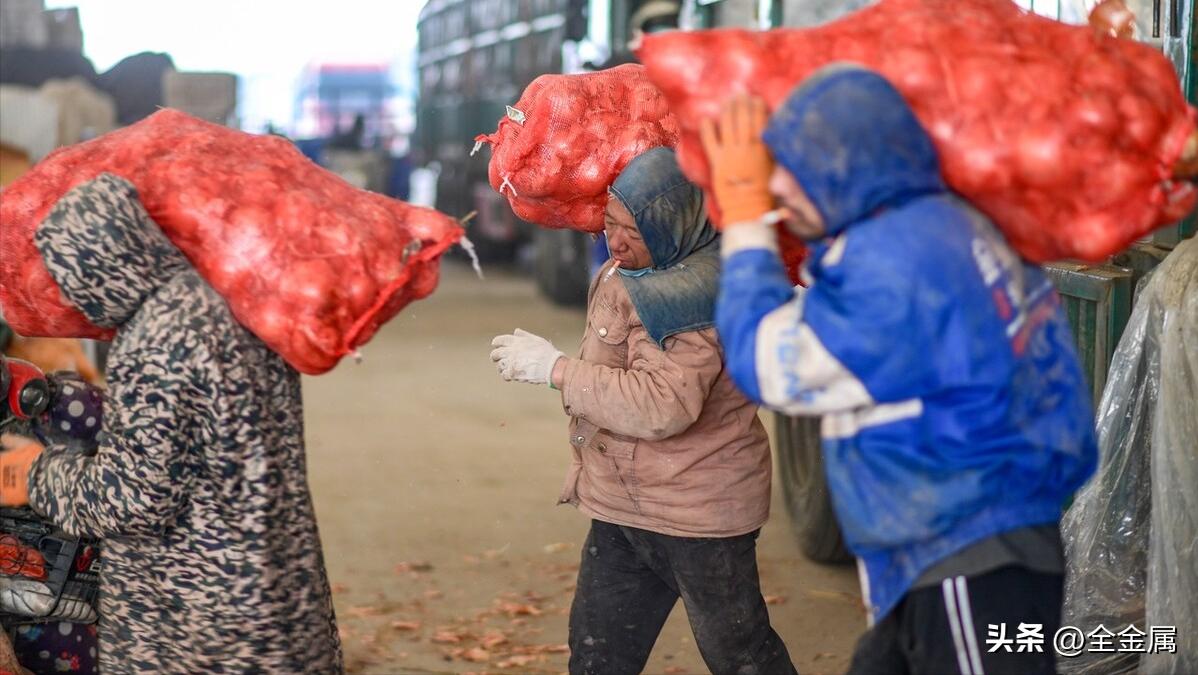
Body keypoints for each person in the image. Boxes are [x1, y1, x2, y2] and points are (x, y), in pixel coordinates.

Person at [699, 67, 1098, 675]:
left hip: (968, 550)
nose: (777, 185)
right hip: (961, 542)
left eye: (793, 168)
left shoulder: (898, 261)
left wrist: (747, 222)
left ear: (849, 165)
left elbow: (769, 367)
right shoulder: (943, 226)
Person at [0, 174, 342, 673]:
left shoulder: (153, 345)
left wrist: (37, 473)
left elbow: (135, 499)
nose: (75, 297)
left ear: (103, 262)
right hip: (276, 588)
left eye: (74, 276)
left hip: (197, 615)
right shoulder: (234, 306)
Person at [489, 147, 796, 675]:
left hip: (697, 516)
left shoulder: (689, 298)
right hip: (622, 508)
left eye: (634, 229)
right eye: (610, 223)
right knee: (596, 656)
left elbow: (663, 405)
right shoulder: (625, 270)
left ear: (674, 226)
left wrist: (556, 370)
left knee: (741, 657)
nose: (616, 240)